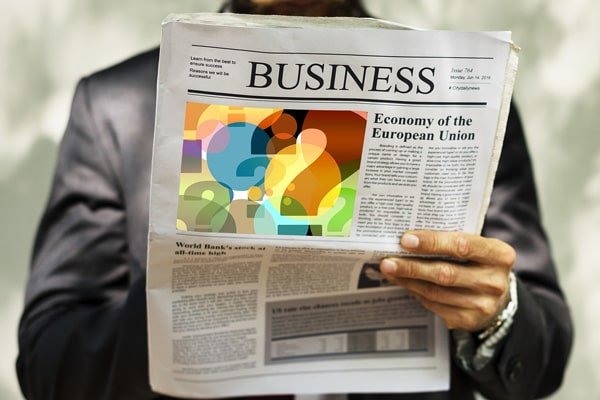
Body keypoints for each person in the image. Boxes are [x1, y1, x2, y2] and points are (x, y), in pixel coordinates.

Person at [17, 0, 573, 399]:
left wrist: (495, 314)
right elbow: (47, 364)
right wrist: (181, 297)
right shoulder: (114, 109)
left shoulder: (468, 97)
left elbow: (543, 356)